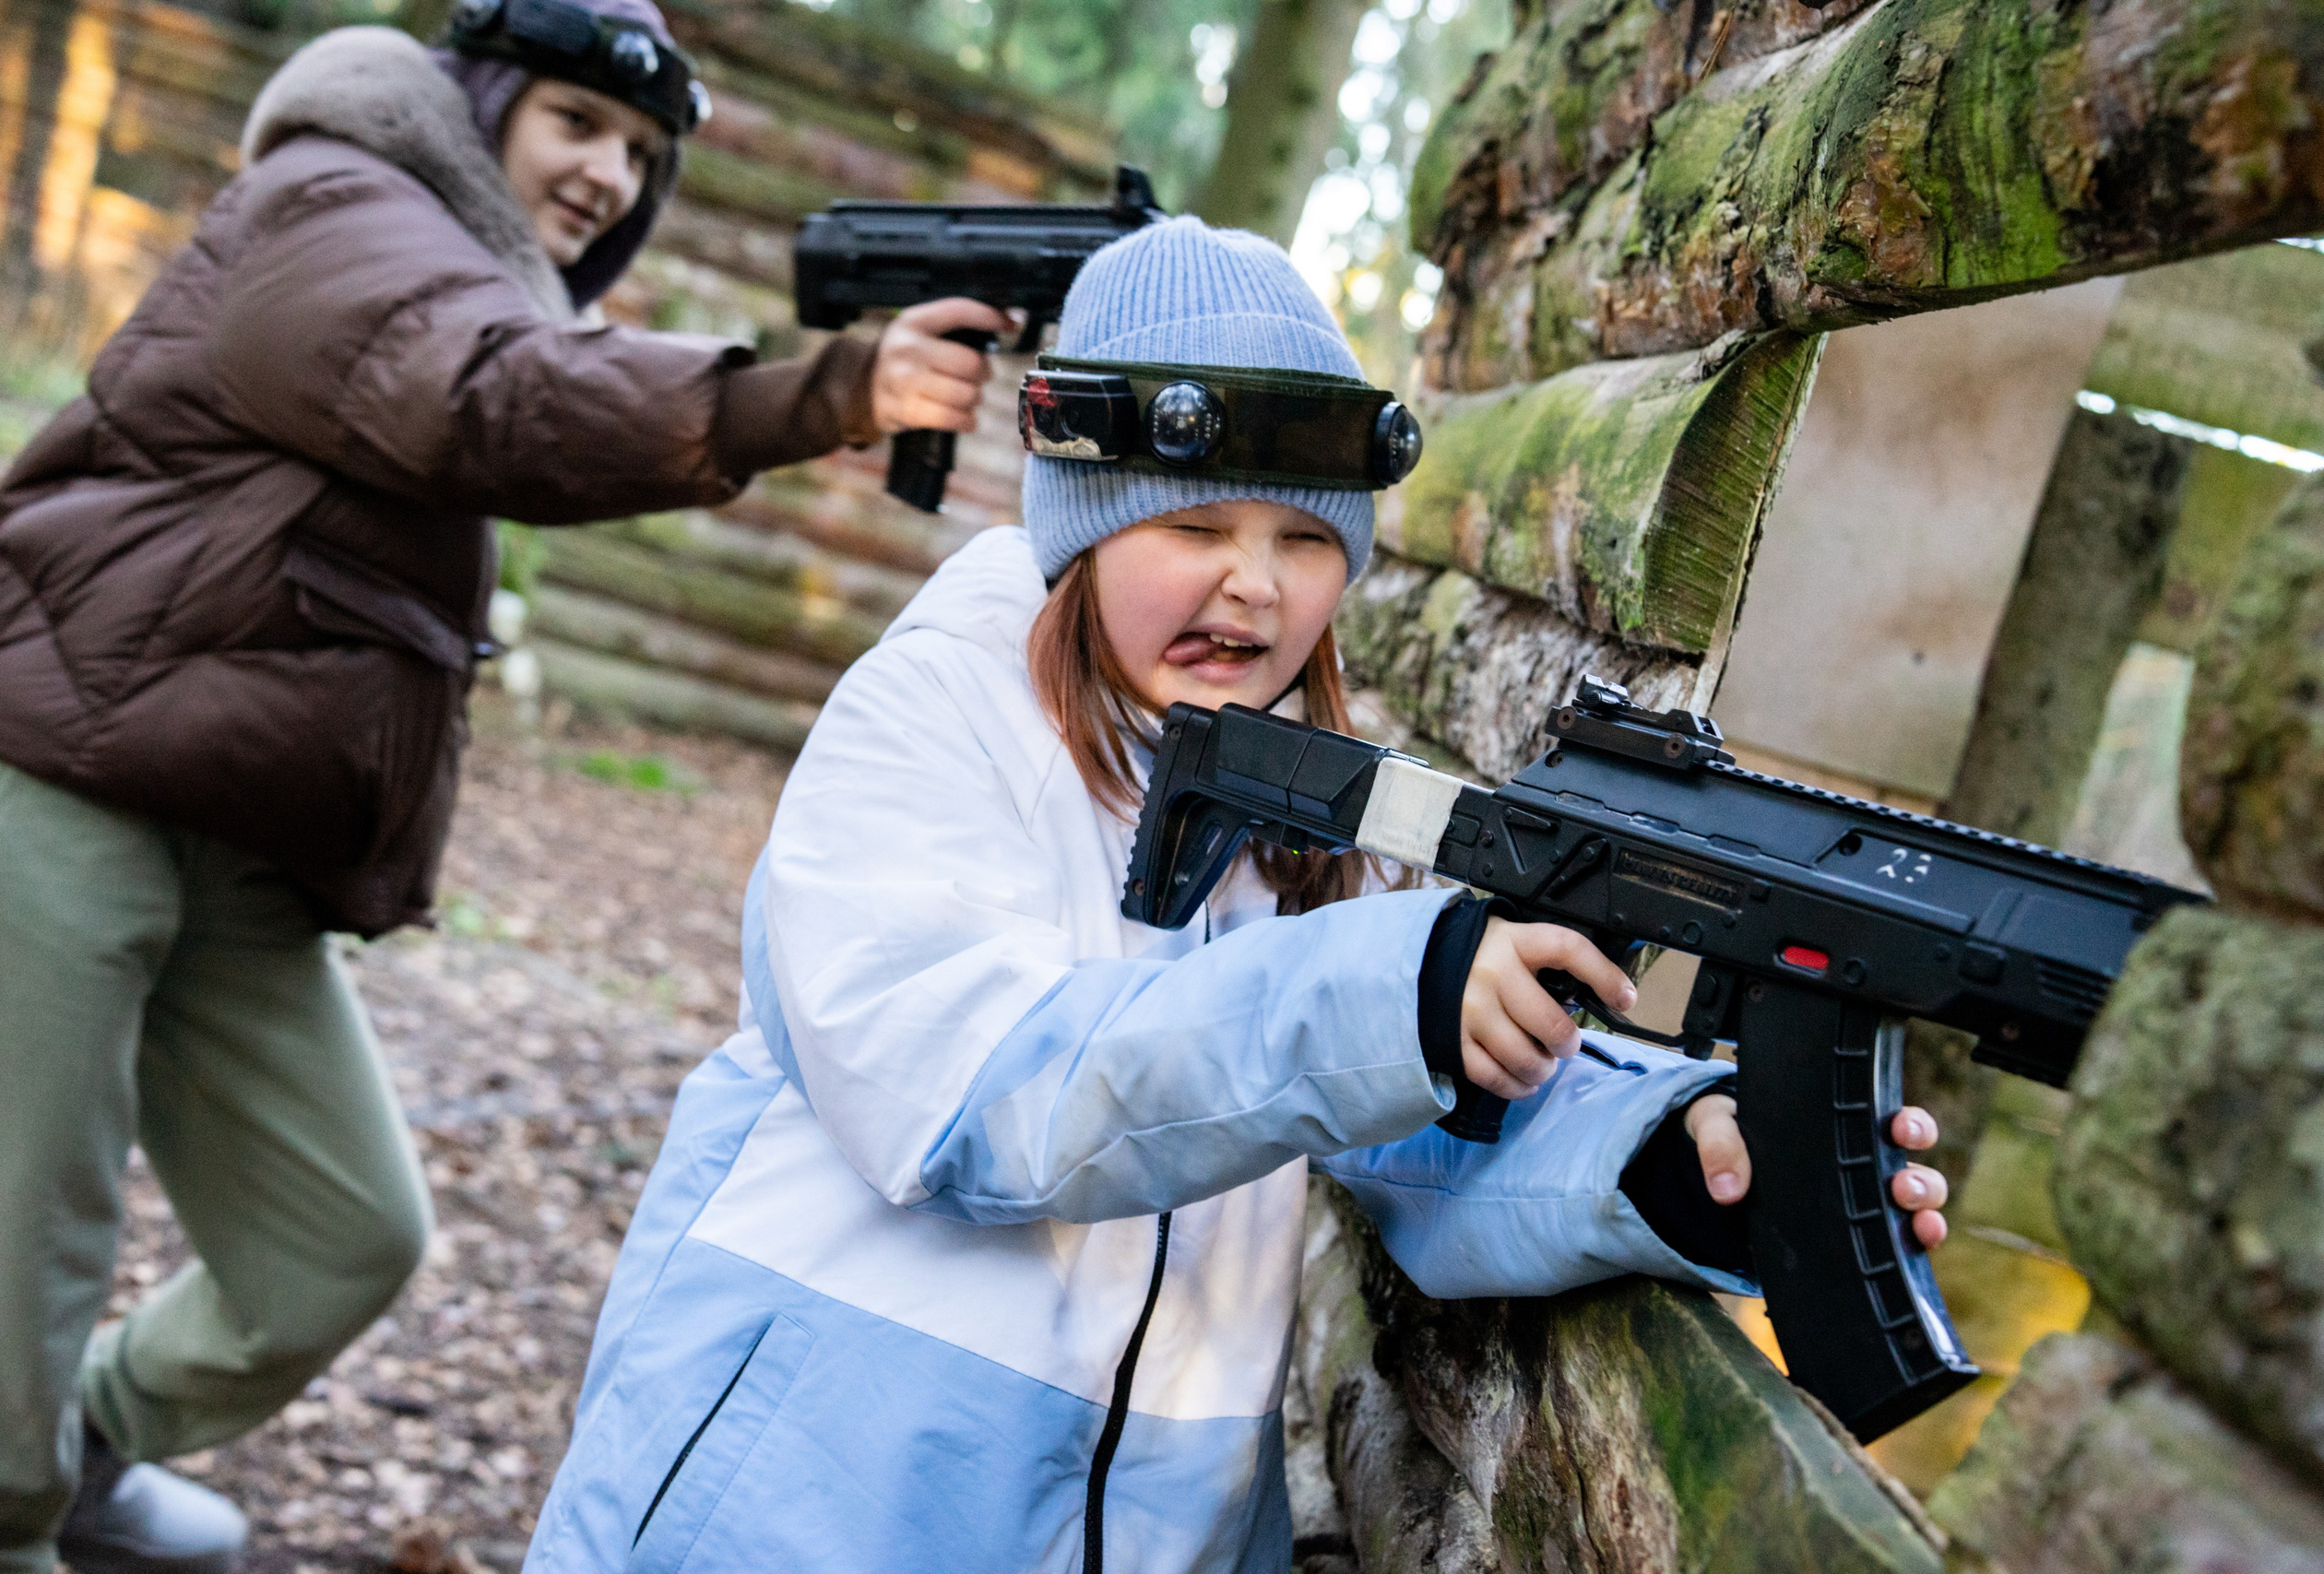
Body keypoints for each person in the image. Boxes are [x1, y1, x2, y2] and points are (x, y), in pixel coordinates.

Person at [520, 217, 1952, 1574]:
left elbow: (1405, 1123)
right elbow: (972, 1095)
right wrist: (1393, 991)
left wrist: (1669, 1153)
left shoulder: (1304, 801)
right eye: (1197, 526)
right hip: (804, 1507)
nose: (1255, 591)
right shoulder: (936, 714)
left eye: (1307, 541)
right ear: (1082, 520)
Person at [0, 3, 1011, 1570]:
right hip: (67, 778)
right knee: (15, 1238)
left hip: (232, 842)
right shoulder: (339, 201)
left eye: (644, 155)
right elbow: (481, 401)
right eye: (580, 123)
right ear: (486, 99)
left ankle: (83, 1443)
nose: (608, 172)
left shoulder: (456, 267)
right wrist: (816, 395)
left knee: (339, 1239)